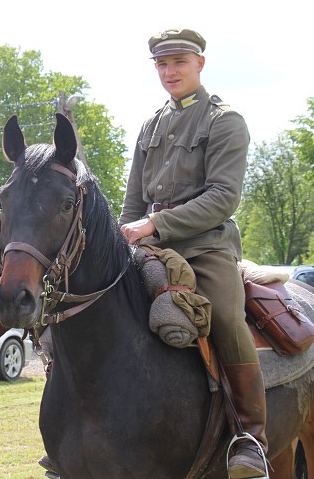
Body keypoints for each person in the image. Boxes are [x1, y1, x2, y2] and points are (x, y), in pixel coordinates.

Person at [119, 28, 266, 478]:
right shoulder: (150, 125)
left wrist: (155, 224)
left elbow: (223, 197)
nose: (170, 72)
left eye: (179, 62)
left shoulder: (225, 120)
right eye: (162, 64)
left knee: (225, 316)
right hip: (150, 247)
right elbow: (132, 201)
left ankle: (251, 438)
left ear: (200, 64)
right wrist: (125, 236)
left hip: (206, 246)